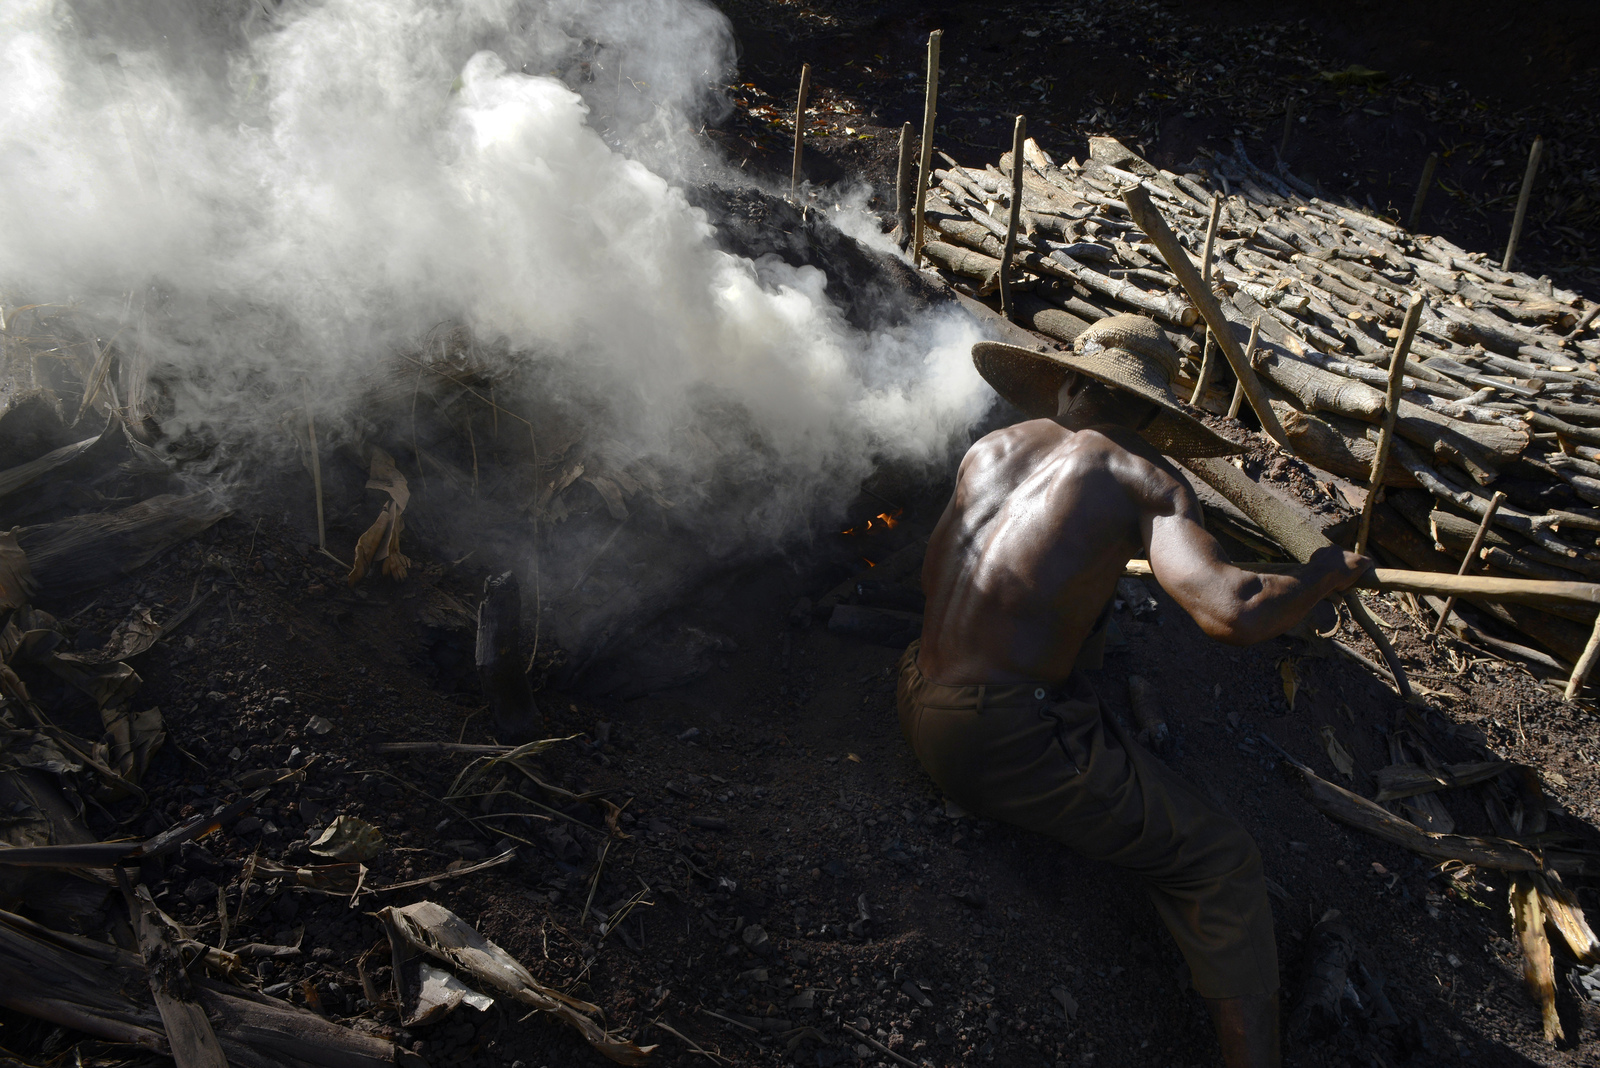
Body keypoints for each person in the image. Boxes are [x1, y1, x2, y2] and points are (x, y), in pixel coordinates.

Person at [897, 315, 1370, 1067]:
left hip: (917, 688)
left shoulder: (992, 448)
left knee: (1088, 641)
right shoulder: (1145, 479)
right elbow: (1232, 609)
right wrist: (1320, 578)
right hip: (990, 744)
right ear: (1151, 412)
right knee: (1221, 862)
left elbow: (931, 580)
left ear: (1067, 382)